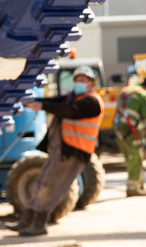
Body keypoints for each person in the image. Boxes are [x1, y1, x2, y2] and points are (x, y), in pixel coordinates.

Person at [7, 65, 103, 236]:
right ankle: (26, 220)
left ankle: (39, 224)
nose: (79, 82)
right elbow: (55, 102)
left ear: (91, 83)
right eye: (77, 79)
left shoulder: (92, 101)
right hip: (60, 150)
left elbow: (69, 111)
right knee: (42, 182)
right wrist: (34, 102)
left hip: (73, 152)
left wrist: (41, 106)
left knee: (51, 186)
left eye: (83, 80)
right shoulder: (72, 97)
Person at [114, 74, 146, 197]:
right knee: (136, 158)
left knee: (130, 158)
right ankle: (133, 189)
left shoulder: (126, 90)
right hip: (131, 131)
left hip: (118, 129)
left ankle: (139, 185)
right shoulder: (143, 95)